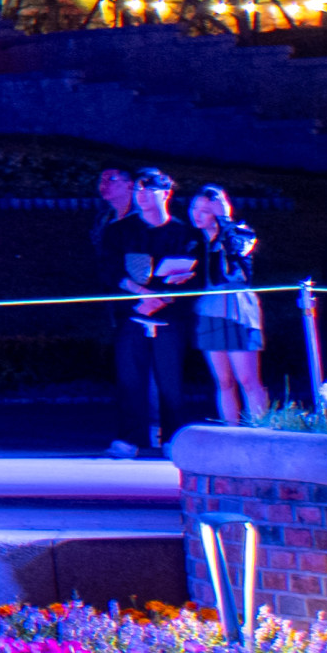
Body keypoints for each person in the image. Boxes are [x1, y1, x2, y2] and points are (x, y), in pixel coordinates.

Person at [94, 165, 194, 458]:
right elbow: (109, 269)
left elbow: (192, 274)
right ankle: (129, 438)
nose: (142, 195)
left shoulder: (183, 232)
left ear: (166, 193)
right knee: (129, 378)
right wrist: (140, 294)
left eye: (149, 189)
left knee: (170, 381)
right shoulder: (119, 231)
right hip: (132, 313)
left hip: (170, 315)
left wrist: (164, 298)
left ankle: (173, 437)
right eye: (138, 189)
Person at [186, 183, 269, 424]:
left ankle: (260, 431)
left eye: (205, 210)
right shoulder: (194, 241)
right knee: (223, 380)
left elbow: (236, 253)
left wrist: (224, 219)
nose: (197, 214)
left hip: (236, 307)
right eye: (194, 208)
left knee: (247, 379)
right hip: (208, 309)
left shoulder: (239, 232)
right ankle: (230, 431)